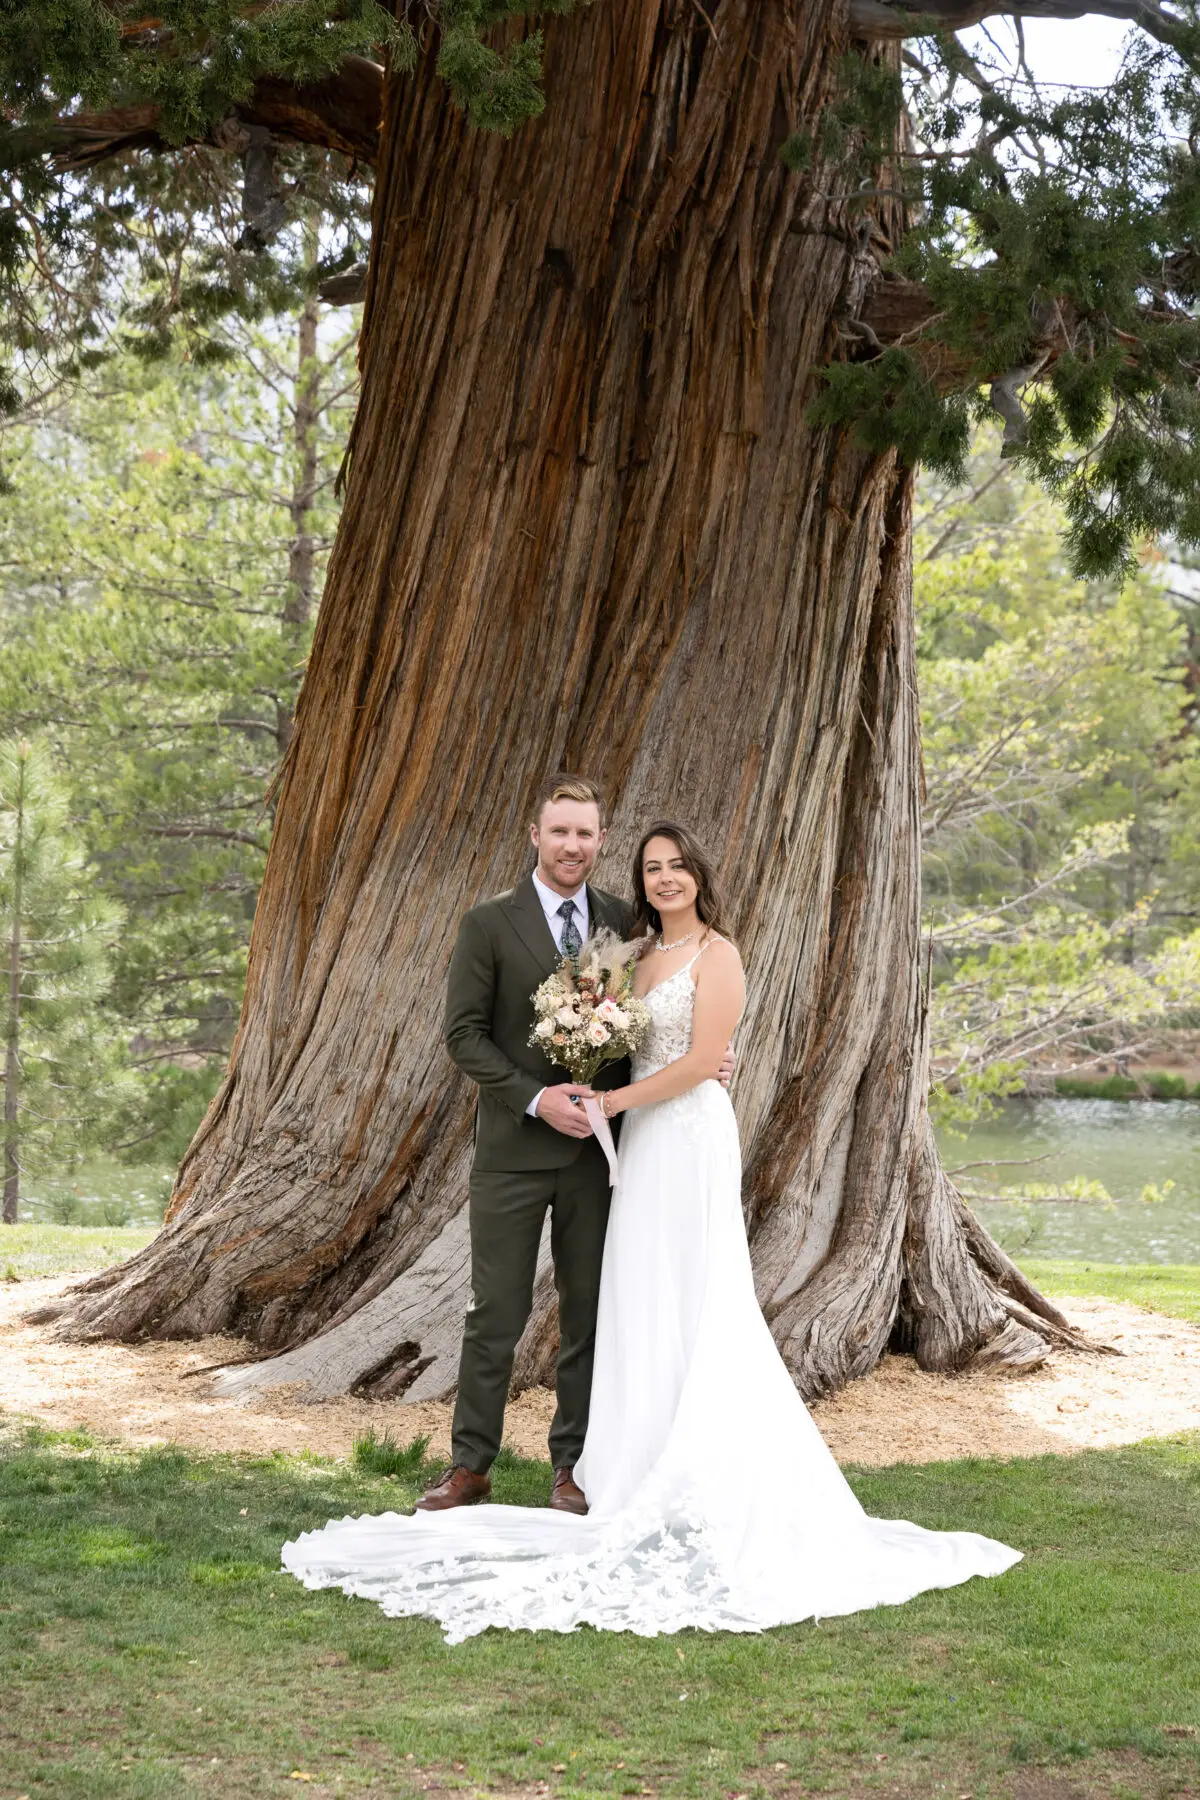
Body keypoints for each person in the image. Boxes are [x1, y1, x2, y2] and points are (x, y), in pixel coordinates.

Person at [282, 820, 1021, 1642]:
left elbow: (704, 1059)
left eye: (676, 866)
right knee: (617, 1298)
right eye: (653, 867)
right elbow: (567, 1037)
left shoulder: (718, 952)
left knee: (672, 1297)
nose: (665, 877)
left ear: (697, 874)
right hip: (608, 1145)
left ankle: (622, 1465)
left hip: (675, 1138)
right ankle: (520, 1465)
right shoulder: (622, 950)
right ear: (549, 840)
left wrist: (621, 1098)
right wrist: (575, 1094)